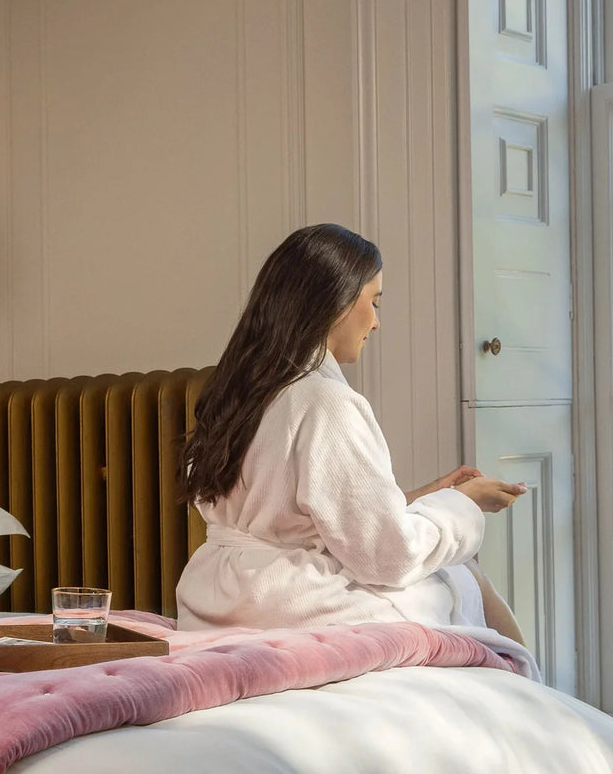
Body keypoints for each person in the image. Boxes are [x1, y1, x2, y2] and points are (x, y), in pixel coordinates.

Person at [175, 223, 528, 648]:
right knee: (464, 577)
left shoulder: (239, 391)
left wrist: (424, 496)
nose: (376, 323)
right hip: (296, 602)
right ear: (334, 303)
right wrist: (463, 506)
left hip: (218, 597)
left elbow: (297, 516)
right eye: (373, 302)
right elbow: (388, 556)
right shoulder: (325, 401)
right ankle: (533, 697)